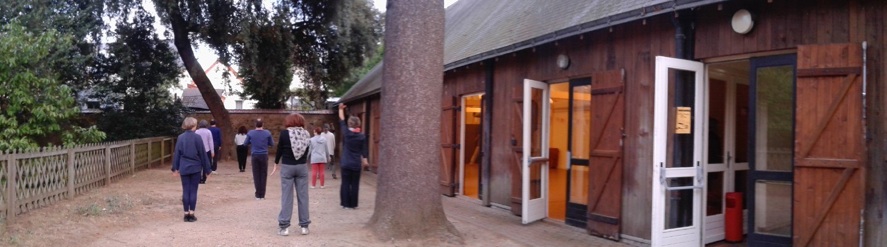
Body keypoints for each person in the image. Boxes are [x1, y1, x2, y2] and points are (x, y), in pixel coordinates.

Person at [272, 113, 312, 236]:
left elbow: (279, 149)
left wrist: (276, 162)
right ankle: (304, 226)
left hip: (287, 166)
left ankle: (284, 227)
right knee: (303, 197)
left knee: (287, 197)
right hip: (302, 166)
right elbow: (308, 150)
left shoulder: (285, 134)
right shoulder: (306, 134)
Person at [171, 117, 213, 222]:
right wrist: (208, 170)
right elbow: (203, 154)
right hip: (195, 167)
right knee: (193, 191)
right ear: (194, 126)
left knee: (186, 190)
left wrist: (174, 168)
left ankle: (185, 214)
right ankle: (192, 213)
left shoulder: (180, 138)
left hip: (184, 167)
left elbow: (177, 154)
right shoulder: (197, 138)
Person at [338, 104, 368, 210]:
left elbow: (342, 120)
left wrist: (341, 109)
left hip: (346, 162)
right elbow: (364, 150)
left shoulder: (346, 133)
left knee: (345, 183)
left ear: (349, 124)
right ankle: (353, 204)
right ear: (358, 124)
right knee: (355, 184)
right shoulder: (362, 136)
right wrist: (365, 160)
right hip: (356, 163)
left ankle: (345, 204)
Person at [244, 119, 274, 200]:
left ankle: (258, 194)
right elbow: (272, 144)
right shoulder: (267, 133)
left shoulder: (251, 133)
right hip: (264, 154)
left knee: (256, 174)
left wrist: (252, 142)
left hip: (255, 155)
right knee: (263, 174)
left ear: (255, 125)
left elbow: (245, 143)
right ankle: (262, 195)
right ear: (262, 124)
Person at [195, 120, 215, 184]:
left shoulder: (196, 131)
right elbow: (210, 142)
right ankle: (204, 178)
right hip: (207, 150)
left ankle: (198, 178)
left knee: (198, 165)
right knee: (205, 165)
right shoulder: (208, 132)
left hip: (198, 150)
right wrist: (212, 151)